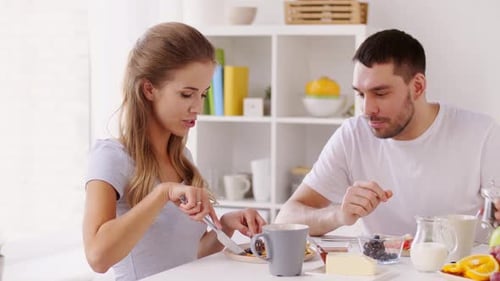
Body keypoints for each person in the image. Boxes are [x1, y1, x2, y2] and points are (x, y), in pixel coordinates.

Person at [83, 22, 266, 281]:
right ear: (149, 89)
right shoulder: (111, 157)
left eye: (202, 94)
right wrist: (162, 193)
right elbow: (97, 257)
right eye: (186, 94)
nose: (197, 108)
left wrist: (223, 227)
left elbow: (188, 256)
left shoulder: (182, 160)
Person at [275, 29, 500, 237]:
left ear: (418, 87)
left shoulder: (481, 133)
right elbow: (286, 217)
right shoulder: (353, 135)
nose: (366, 109)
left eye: (380, 93)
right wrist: (339, 215)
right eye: (361, 94)